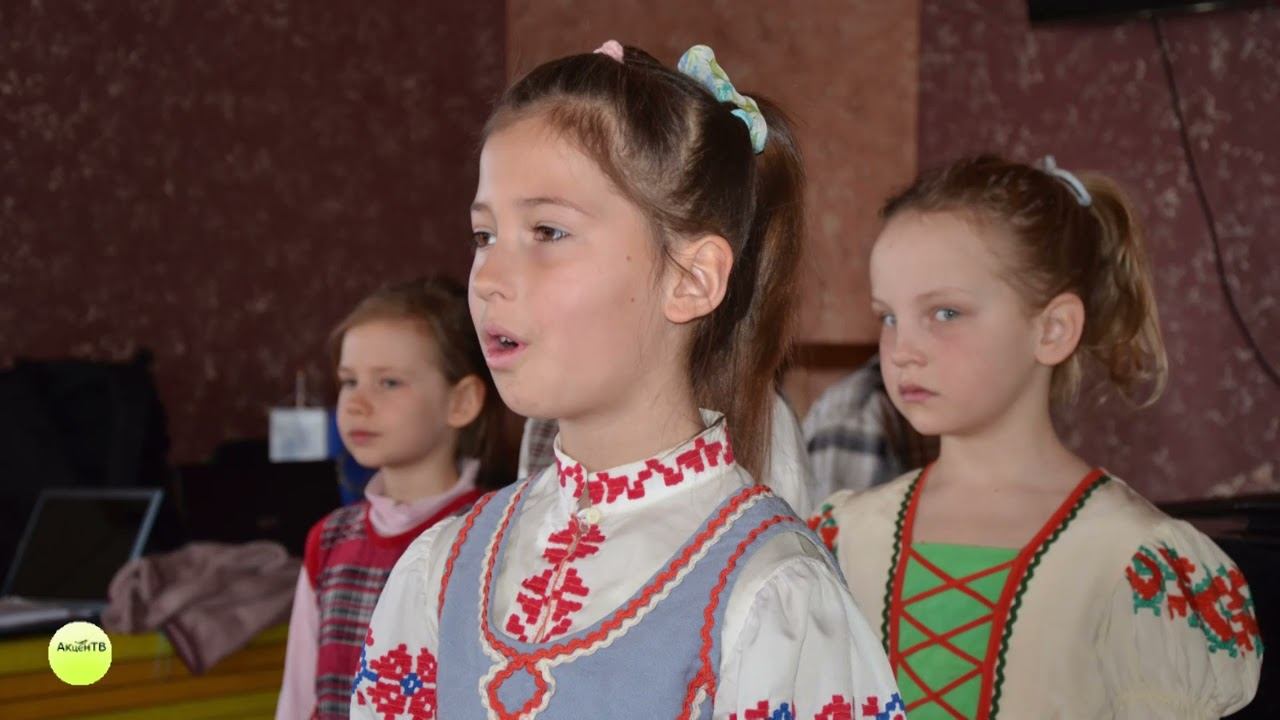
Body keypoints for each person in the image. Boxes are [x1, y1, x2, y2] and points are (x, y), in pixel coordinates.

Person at [351, 41, 900, 719]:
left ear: (691, 279)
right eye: (483, 236)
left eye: (547, 231)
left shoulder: (770, 593)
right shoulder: (443, 568)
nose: (488, 278)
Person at [813, 155, 1262, 718]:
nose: (902, 350)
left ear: (1052, 330)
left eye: (945, 313)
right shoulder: (845, 537)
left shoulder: (1132, 562)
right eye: (888, 316)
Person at [278, 277, 506, 720]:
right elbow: (298, 699)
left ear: (461, 402)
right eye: (349, 382)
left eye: (388, 383)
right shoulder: (329, 540)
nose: (356, 404)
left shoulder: (494, 536)